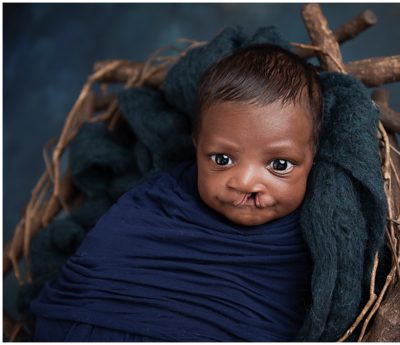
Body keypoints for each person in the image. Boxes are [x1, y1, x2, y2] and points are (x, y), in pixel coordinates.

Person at [30, 44, 322, 341]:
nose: (246, 182)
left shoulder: (313, 232)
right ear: (197, 145)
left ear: (313, 157)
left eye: (279, 165)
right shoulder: (160, 201)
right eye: (222, 159)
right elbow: (99, 269)